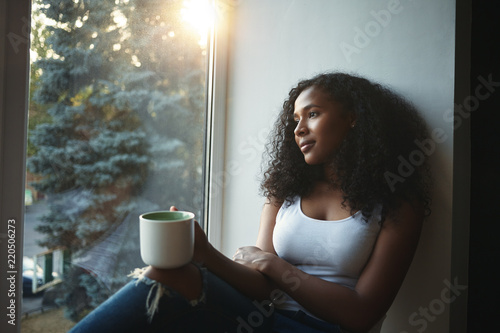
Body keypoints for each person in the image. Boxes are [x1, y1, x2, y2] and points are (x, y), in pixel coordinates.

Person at [69, 72, 431, 333]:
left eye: (313, 114)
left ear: (353, 119)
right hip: (267, 318)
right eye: (295, 120)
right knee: (171, 275)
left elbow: (360, 314)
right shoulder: (285, 193)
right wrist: (205, 252)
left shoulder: (398, 203)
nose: (298, 128)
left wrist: (277, 267)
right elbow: (262, 287)